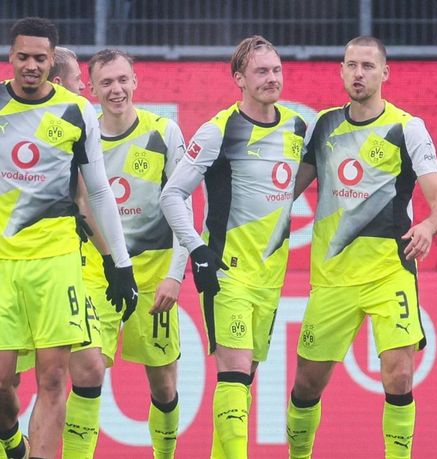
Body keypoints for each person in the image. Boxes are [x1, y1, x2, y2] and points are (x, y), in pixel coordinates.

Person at [0, 17, 137, 459]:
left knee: (53, 379)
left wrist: (120, 263)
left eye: (40, 58)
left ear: (51, 60)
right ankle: (13, 446)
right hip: (0, 264)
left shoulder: (76, 111)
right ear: (11, 56)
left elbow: (98, 192)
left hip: (57, 264)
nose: (31, 65)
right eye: (23, 56)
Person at [285, 36, 437, 459]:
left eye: (367, 66)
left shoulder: (407, 128)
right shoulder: (324, 125)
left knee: (399, 376)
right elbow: (286, 194)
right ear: (341, 71)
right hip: (333, 278)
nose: (358, 73)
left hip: (389, 273)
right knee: (306, 385)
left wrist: (428, 227)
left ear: (384, 73)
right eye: (351, 65)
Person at [161, 35, 306, 458]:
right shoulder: (218, 130)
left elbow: (292, 188)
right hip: (227, 272)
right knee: (235, 373)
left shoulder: (297, 127)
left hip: (270, 277)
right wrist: (197, 250)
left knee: (243, 384)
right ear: (239, 78)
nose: (271, 78)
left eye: (276, 70)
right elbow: (172, 195)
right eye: (261, 71)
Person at [79, 48, 188, 459]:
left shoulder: (164, 132)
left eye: (123, 80)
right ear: (91, 89)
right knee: (88, 369)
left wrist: (175, 275)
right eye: (106, 82)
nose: (116, 89)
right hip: (98, 275)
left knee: (164, 385)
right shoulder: (82, 136)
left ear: (135, 81)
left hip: (153, 278)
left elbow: (183, 208)